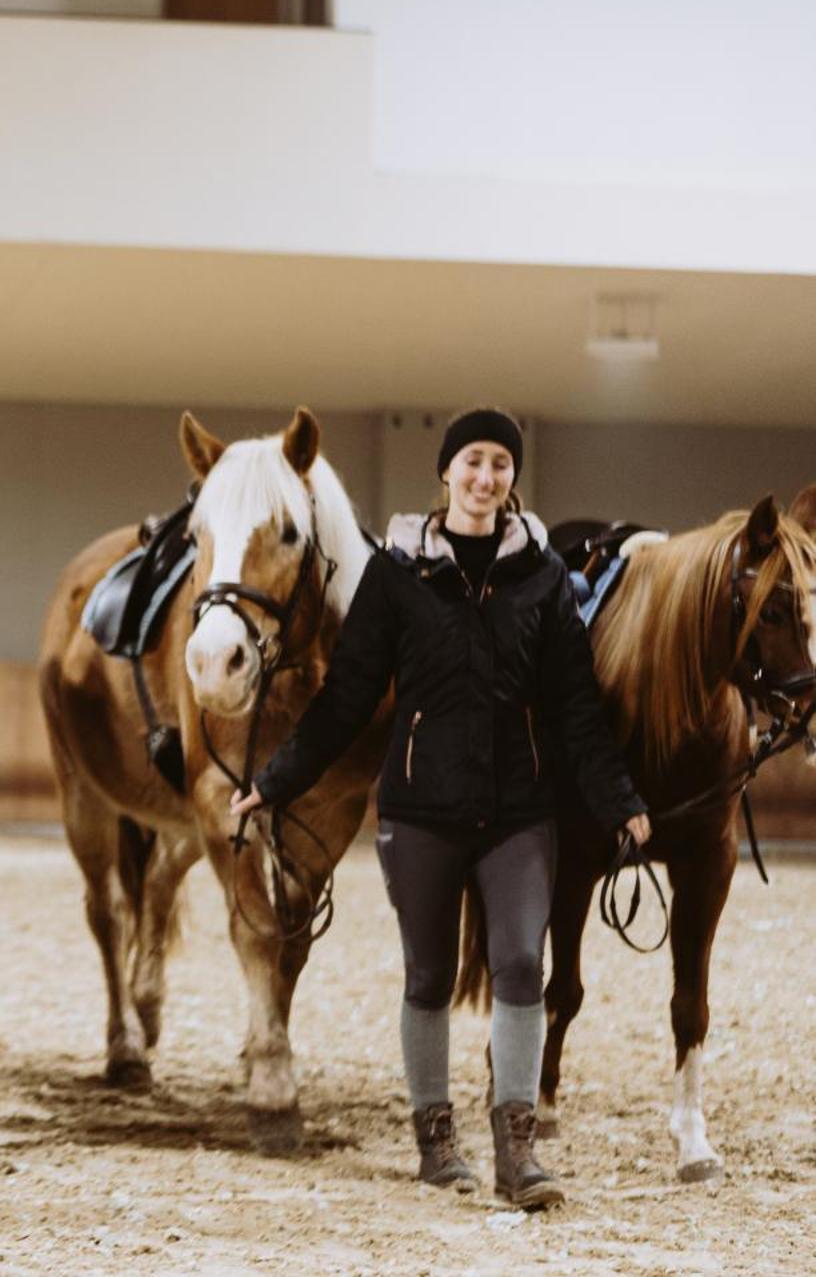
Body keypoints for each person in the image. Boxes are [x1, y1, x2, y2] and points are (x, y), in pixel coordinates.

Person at [230, 407, 649, 1209]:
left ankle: (516, 1152)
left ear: (511, 478)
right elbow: (347, 695)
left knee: (522, 963)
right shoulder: (397, 574)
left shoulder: (544, 578)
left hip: (521, 811)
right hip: (420, 811)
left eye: (499, 463)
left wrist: (619, 798)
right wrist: (278, 778)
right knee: (427, 975)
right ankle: (434, 1140)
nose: (485, 477)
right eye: (472, 462)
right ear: (445, 473)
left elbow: (574, 707)